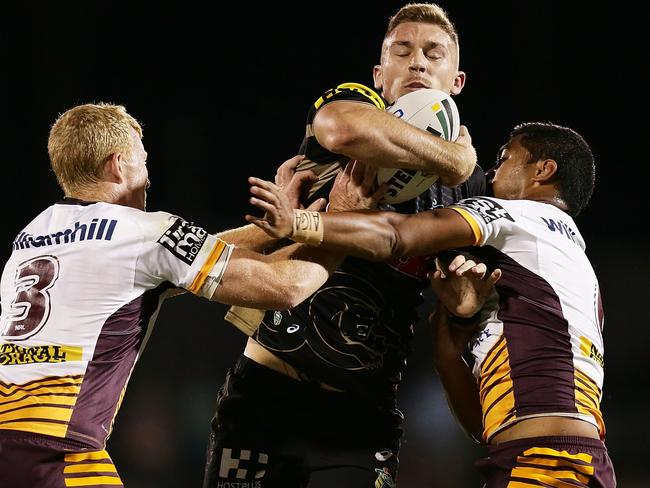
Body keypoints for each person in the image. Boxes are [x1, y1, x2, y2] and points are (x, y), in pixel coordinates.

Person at [205, 3, 485, 487]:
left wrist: (462, 303)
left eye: (433, 53)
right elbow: (339, 126)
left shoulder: (473, 186)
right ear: (380, 75)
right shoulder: (357, 112)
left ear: (456, 80)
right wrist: (452, 158)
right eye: (403, 51)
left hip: (362, 414)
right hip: (267, 388)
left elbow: (461, 309)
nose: (417, 62)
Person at [0, 102, 349, 488]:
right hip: (59, 453)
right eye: (143, 160)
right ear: (118, 165)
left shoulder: (30, 238)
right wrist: (345, 220)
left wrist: (278, 228)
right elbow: (286, 286)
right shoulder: (144, 232)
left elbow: (176, 260)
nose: (148, 176)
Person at [249, 121, 617, 487]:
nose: (491, 171)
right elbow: (483, 427)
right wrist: (450, 333)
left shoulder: (516, 215)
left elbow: (397, 236)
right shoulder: (576, 265)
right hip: (571, 459)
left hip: (544, 462)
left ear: (543, 170)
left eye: (504, 158)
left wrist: (299, 222)